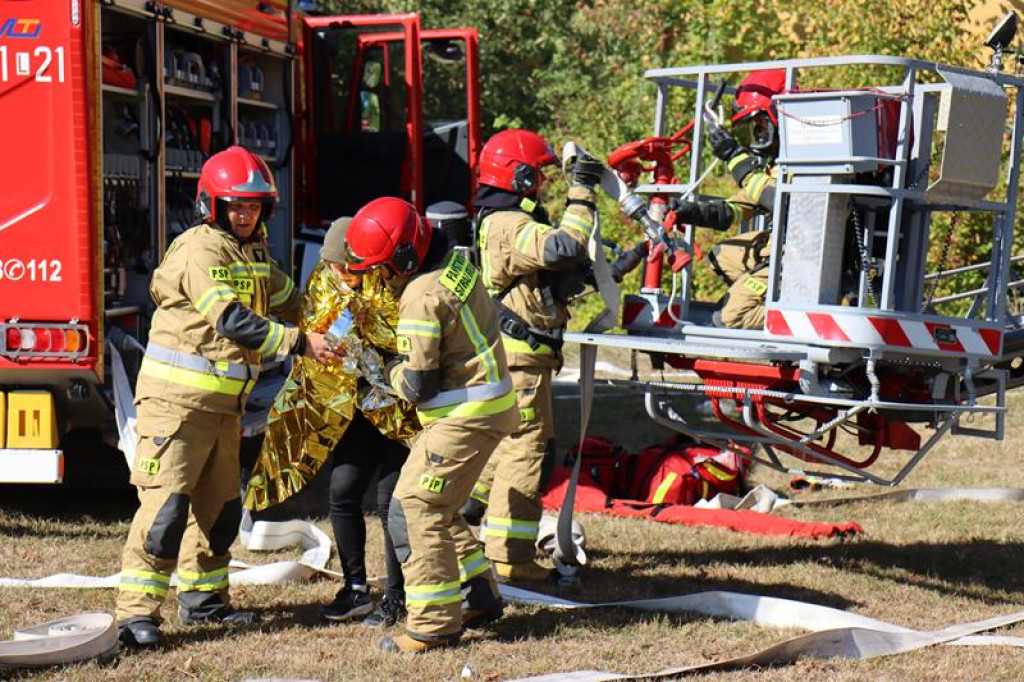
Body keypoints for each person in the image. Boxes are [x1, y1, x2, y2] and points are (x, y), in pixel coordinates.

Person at [116, 146, 336, 648]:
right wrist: (299, 342)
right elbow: (231, 319)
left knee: (220, 514)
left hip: (223, 409)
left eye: (254, 206)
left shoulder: (254, 252)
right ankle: (135, 616)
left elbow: (289, 298)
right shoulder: (200, 250)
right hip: (177, 408)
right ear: (211, 205)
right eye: (236, 205)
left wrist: (336, 310)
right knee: (165, 513)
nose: (245, 214)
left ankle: (204, 601)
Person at [344, 196, 519, 653]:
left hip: (465, 415)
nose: (381, 279)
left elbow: (418, 384)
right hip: (486, 406)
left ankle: (433, 623)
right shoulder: (456, 265)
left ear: (403, 257)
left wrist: (384, 372)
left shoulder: (421, 295)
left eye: (382, 269)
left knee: (413, 505)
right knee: (441, 506)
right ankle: (477, 594)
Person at [243, 217, 419, 628]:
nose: (338, 274)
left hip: (402, 410)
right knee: (342, 490)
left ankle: (399, 596)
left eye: (344, 268)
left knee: (392, 501)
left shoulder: (390, 283)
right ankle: (355, 588)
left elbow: (410, 343)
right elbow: (313, 323)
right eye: (333, 267)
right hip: (358, 403)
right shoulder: (326, 277)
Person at [462, 129, 603, 582]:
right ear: (518, 175)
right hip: (520, 358)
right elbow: (563, 246)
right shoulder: (507, 223)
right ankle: (510, 557)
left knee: (506, 447)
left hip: (520, 357)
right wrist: (581, 193)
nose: (541, 181)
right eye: (537, 173)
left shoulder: (503, 218)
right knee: (527, 453)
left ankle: (463, 515)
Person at [668, 69, 785, 330]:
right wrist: (689, 211)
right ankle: (759, 296)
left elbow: (779, 200)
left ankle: (789, 314)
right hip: (776, 254)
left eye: (761, 124)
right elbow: (734, 211)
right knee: (722, 254)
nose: (758, 134)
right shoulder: (777, 168)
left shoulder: (807, 164)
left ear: (780, 116)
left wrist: (734, 156)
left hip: (798, 262)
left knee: (730, 318)